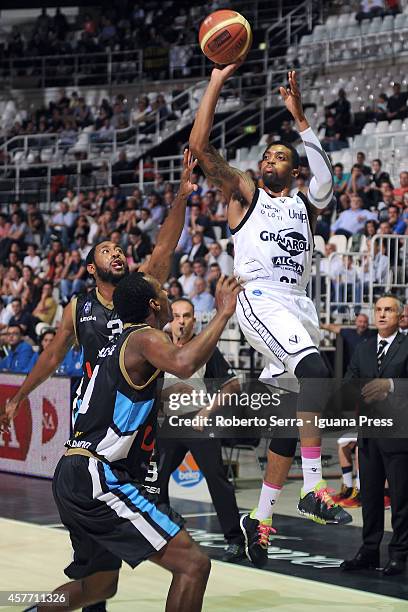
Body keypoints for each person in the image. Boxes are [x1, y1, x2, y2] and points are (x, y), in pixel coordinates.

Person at [2, 151, 198, 612]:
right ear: (92, 269)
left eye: (118, 248)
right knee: (139, 572)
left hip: (131, 432)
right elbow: (52, 356)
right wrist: (20, 396)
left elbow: (165, 248)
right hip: (100, 435)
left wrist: (181, 198)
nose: (116, 252)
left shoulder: (141, 296)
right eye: (105, 250)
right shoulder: (79, 307)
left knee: (100, 584)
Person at [189, 66, 350, 570]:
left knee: (287, 421)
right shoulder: (244, 194)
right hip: (259, 298)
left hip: (301, 306)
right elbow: (200, 148)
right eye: (267, 155)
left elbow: (325, 178)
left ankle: (258, 522)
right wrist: (216, 82)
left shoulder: (306, 204)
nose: (271, 159)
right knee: (316, 374)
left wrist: (301, 119)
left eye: (281, 155)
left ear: (294, 170)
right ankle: (314, 489)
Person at [39, 272, 240, 612]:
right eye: (163, 292)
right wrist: (222, 313)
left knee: (100, 585)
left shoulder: (116, 345)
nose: (167, 295)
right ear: (153, 304)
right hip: (98, 476)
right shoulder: (144, 337)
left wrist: (185, 401)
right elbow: (184, 362)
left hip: (73, 472)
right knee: (193, 566)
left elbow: (138, 400)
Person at [156, 298, 244, 562]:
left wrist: (207, 412)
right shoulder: (158, 347)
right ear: (170, 319)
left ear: (195, 319)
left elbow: (232, 386)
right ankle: (164, 532)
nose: (181, 321)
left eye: (187, 316)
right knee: (154, 480)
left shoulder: (204, 348)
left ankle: (236, 540)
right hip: (168, 423)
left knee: (217, 480)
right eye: (177, 316)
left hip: (197, 421)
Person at [341, 295, 408, 576]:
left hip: (398, 434)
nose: (382, 314)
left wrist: (390, 385)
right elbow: (349, 381)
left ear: (400, 315)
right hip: (368, 433)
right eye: (378, 309)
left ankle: (400, 554)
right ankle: (369, 550)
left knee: (401, 500)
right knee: (369, 498)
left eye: (389, 310)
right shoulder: (364, 348)